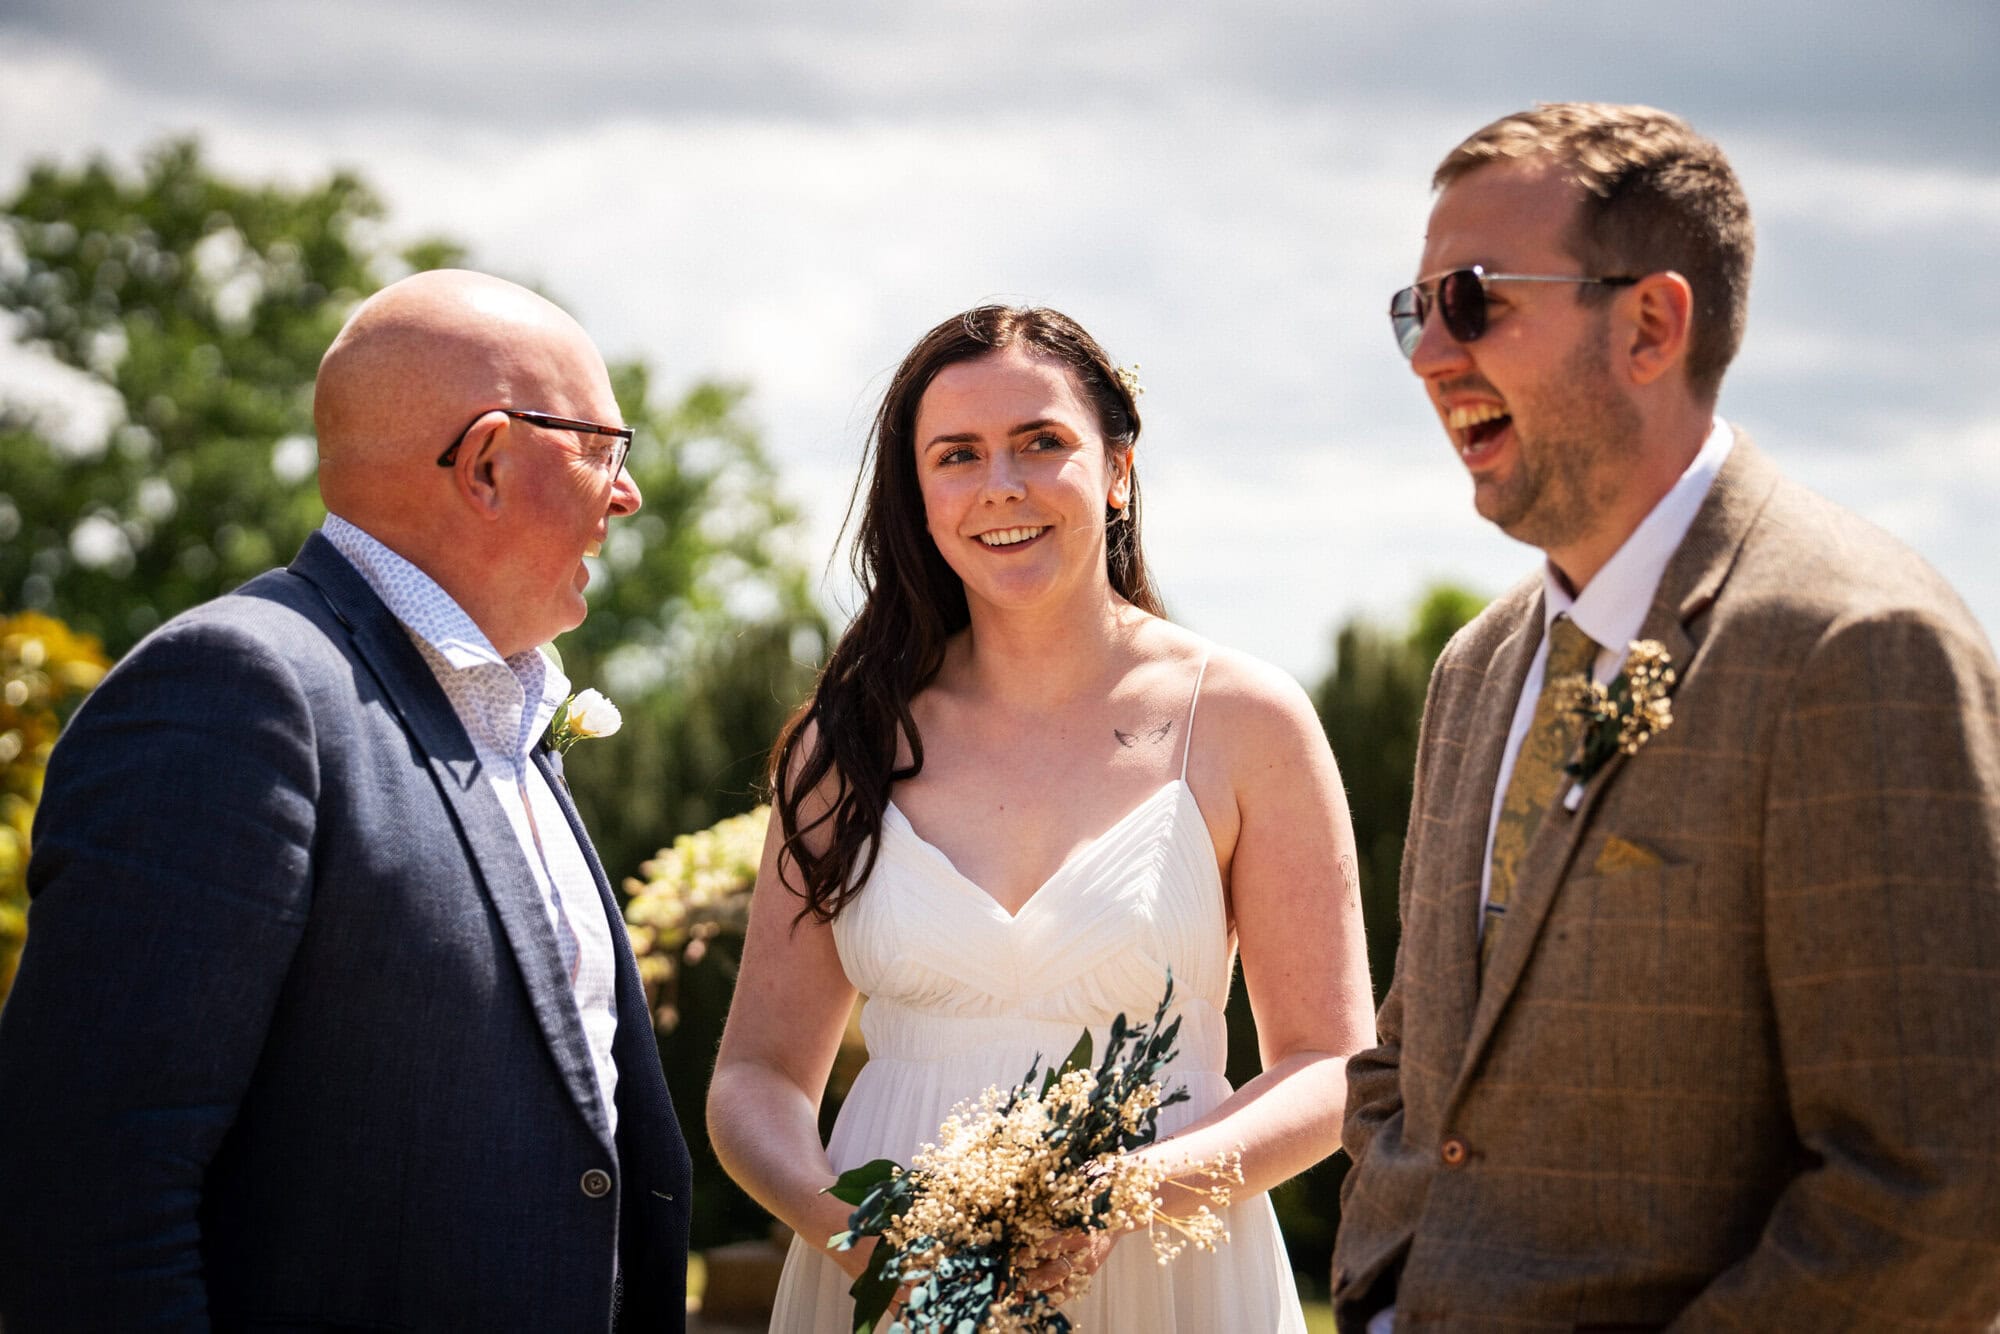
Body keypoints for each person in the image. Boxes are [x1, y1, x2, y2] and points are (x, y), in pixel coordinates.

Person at [1333, 102, 2000, 1330]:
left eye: (1473, 300)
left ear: (1648, 322)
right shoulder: (1476, 669)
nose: (1430, 354)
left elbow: (1938, 1187)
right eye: (1412, 309)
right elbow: (1409, 1066)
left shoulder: (1856, 648)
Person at [0, 269, 694, 1330]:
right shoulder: (236, 691)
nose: (626, 491)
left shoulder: (503, 715)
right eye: (604, 446)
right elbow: (88, 1189)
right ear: (490, 460)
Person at [707, 305, 1375, 1330]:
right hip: (890, 1286)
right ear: (918, 495)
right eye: (956, 455)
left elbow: (1328, 1063)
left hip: (1172, 1276)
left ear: (1115, 468)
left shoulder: (1243, 719)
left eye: (1040, 443)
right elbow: (754, 1073)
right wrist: (853, 1232)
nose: (1000, 486)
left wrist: (1125, 1194)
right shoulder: (844, 741)